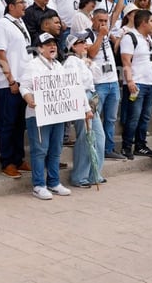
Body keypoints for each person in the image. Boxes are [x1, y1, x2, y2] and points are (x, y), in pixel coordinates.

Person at [20, 32, 86, 200]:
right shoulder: (32, 65)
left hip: (57, 114)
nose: (52, 47)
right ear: (40, 48)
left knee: (56, 149)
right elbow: (24, 87)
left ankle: (54, 182)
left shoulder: (58, 65)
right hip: (37, 115)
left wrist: (84, 107)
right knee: (40, 150)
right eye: (47, 44)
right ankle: (39, 185)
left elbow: (70, 88)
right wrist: (29, 99)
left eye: (54, 44)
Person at [0, 0, 31, 179]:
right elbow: (1, 54)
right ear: (10, 6)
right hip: (9, 83)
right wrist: (10, 80)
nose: (24, 5)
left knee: (19, 123)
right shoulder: (2, 24)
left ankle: (18, 158)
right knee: (8, 123)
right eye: (20, 2)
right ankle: (7, 161)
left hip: (23, 81)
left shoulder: (20, 22)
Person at [119, 9, 152, 159]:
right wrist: (130, 81)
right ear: (143, 23)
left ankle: (140, 145)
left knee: (145, 117)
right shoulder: (130, 37)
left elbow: (151, 56)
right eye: (151, 21)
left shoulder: (149, 39)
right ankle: (126, 146)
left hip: (149, 82)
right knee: (134, 116)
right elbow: (126, 61)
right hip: (137, 83)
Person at [66, 32, 105, 187]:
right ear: (73, 46)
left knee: (98, 137)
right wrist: (84, 106)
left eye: (85, 41)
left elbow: (98, 75)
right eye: (81, 42)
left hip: (91, 95)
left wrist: (89, 62)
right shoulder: (71, 62)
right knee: (85, 137)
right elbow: (75, 85)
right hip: (82, 98)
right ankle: (80, 176)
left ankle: (94, 173)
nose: (85, 44)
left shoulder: (83, 61)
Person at [86, 9, 123, 161]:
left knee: (111, 119)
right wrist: (100, 35)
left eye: (105, 21)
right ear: (92, 20)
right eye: (100, 20)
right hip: (98, 84)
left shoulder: (108, 33)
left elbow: (117, 10)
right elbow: (92, 53)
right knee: (95, 118)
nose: (103, 24)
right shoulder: (87, 35)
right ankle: (95, 148)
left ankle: (109, 148)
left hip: (112, 81)